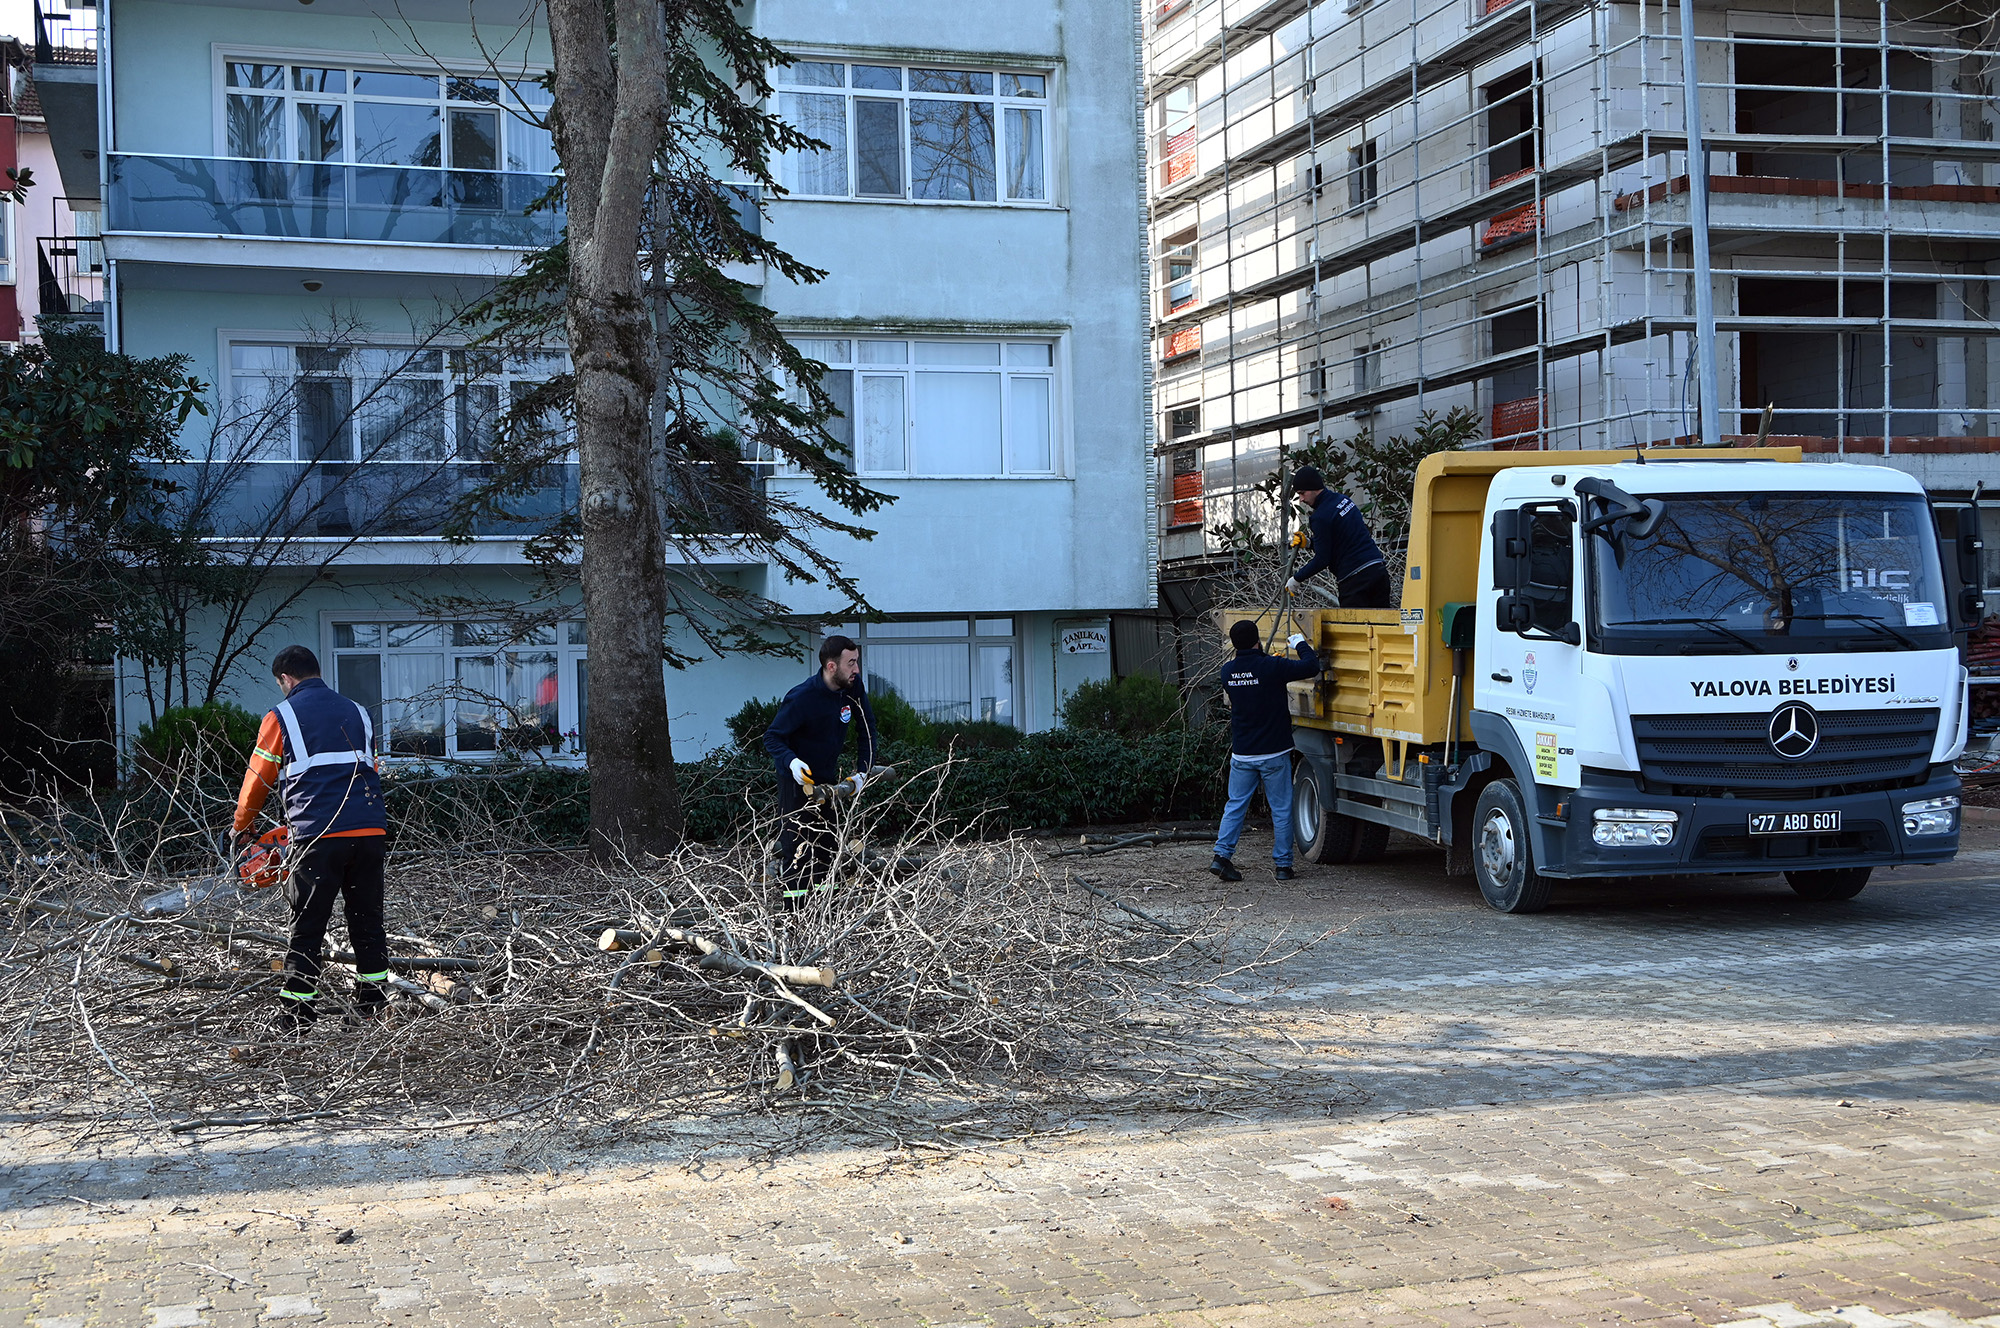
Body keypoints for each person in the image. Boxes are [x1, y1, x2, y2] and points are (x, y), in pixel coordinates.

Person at [233, 644, 391, 1034]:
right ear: (317, 672)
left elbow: (258, 779)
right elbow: (369, 768)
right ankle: (371, 1008)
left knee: (307, 926)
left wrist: (242, 827)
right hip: (370, 830)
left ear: (285, 679)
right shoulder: (359, 712)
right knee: (368, 921)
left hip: (318, 834)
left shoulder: (281, 716)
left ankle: (297, 1016)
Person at [763, 635, 878, 904]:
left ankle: (827, 912)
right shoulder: (802, 697)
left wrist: (863, 771)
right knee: (798, 851)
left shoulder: (852, 689)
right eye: (851, 663)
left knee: (828, 847)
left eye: (857, 661)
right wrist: (791, 761)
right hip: (796, 784)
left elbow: (867, 731)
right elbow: (772, 737)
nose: (857, 669)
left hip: (828, 781)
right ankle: (796, 915)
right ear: (831, 666)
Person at [1210, 619, 1320, 882]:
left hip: (1243, 753)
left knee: (1235, 806)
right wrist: (1300, 644)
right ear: (1257, 641)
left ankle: (1221, 857)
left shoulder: (1227, 672)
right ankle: (1283, 866)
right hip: (1273, 752)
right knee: (1280, 809)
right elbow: (1311, 666)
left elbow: (1251, 682)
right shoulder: (1272, 666)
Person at [1285, 464, 1393, 609]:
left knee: (1352, 623)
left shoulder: (1320, 517)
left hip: (1355, 580)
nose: (1301, 499)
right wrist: (1310, 543)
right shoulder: (1343, 500)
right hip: (1377, 570)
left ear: (1314, 488)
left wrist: (1297, 579)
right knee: (1382, 621)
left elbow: (1322, 559)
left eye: (1302, 493)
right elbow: (1343, 539)